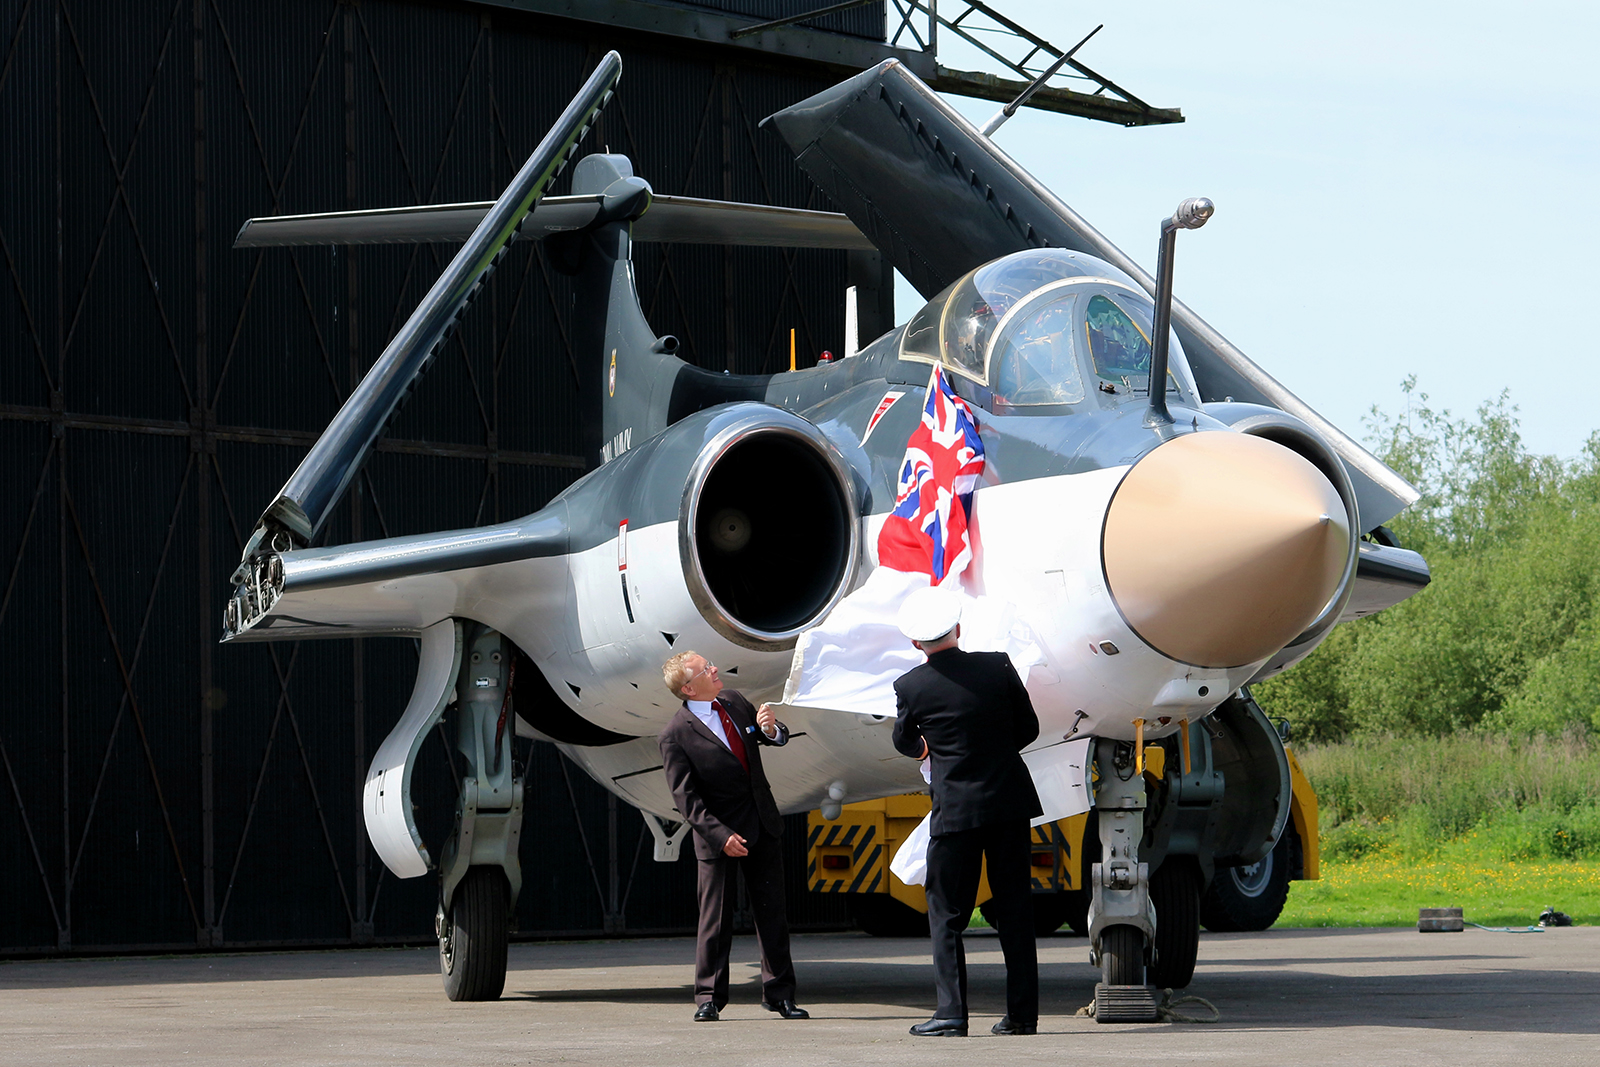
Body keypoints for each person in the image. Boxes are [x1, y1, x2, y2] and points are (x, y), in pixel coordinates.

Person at [891, 586, 1042, 1037]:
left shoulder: (911, 686)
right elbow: (1029, 728)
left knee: (947, 913)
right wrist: (991, 752)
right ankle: (1021, 1016)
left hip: (956, 809)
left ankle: (952, 1014)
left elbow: (903, 740)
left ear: (916, 644)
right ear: (958, 629)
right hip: (1008, 802)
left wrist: (927, 750)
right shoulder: (998, 665)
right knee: (1014, 909)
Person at [658, 650, 809, 1023]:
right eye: (704, 668)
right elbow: (687, 801)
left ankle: (780, 995)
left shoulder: (734, 701)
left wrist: (772, 729)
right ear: (690, 688)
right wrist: (721, 835)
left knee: (772, 916)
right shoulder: (675, 735)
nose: (714, 668)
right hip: (718, 836)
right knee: (715, 920)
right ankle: (708, 997)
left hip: (762, 824)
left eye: (709, 662)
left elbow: (764, 736)